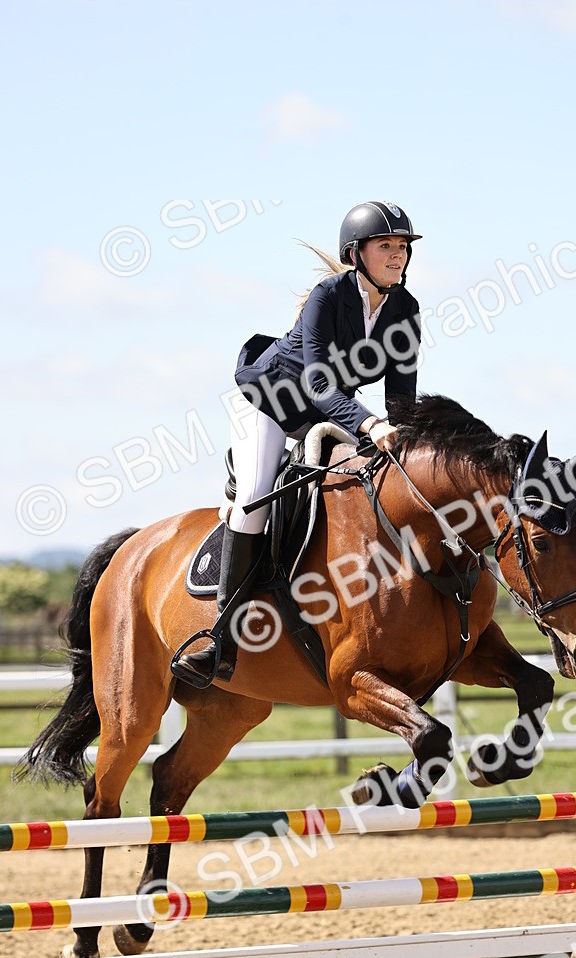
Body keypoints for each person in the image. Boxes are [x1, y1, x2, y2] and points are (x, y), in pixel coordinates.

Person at [172, 200, 422, 688]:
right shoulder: (326, 298)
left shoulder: (406, 310)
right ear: (357, 253)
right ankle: (220, 638)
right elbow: (319, 384)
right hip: (270, 403)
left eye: (403, 247)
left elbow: (402, 397)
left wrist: (408, 435)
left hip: (328, 415)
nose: (397, 255)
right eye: (386, 246)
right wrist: (370, 426)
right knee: (252, 504)